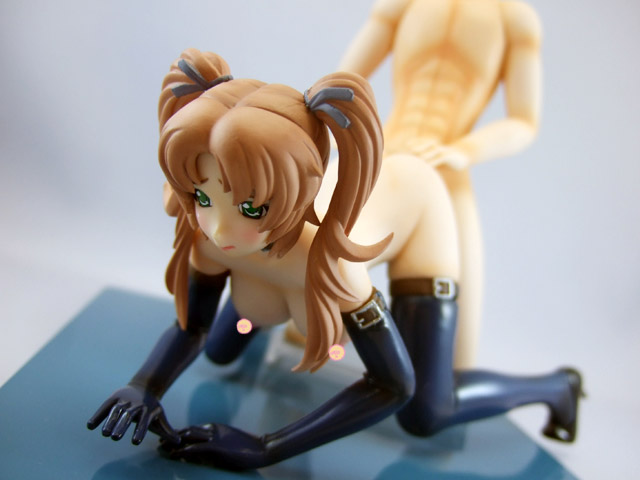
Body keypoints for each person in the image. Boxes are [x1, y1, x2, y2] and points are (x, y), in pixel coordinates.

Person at [87, 48, 580, 470]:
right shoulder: (207, 236)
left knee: (427, 413)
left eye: (250, 208)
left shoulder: (332, 266)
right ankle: (259, 301)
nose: (218, 229)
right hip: (275, 256)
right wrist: (144, 386)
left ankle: (558, 387)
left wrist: (265, 447)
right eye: (201, 196)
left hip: (419, 211)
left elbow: (392, 385)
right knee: (220, 348)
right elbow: (192, 327)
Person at [339, 0, 543, 367]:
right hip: (382, 156)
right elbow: (342, 82)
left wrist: (463, 151)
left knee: (456, 354)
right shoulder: (402, 4)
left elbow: (524, 122)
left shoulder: (514, 19)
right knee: (308, 279)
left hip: (446, 171)